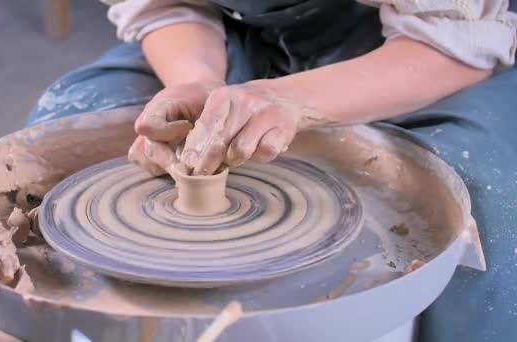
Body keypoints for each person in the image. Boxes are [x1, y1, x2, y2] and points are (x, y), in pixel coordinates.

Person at [26, 1, 517, 341]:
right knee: (61, 139)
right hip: (239, 39)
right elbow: (166, 7)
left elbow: (455, 39)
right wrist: (197, 82)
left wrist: (291, 100)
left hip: (419, 56)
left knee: (477, 202)